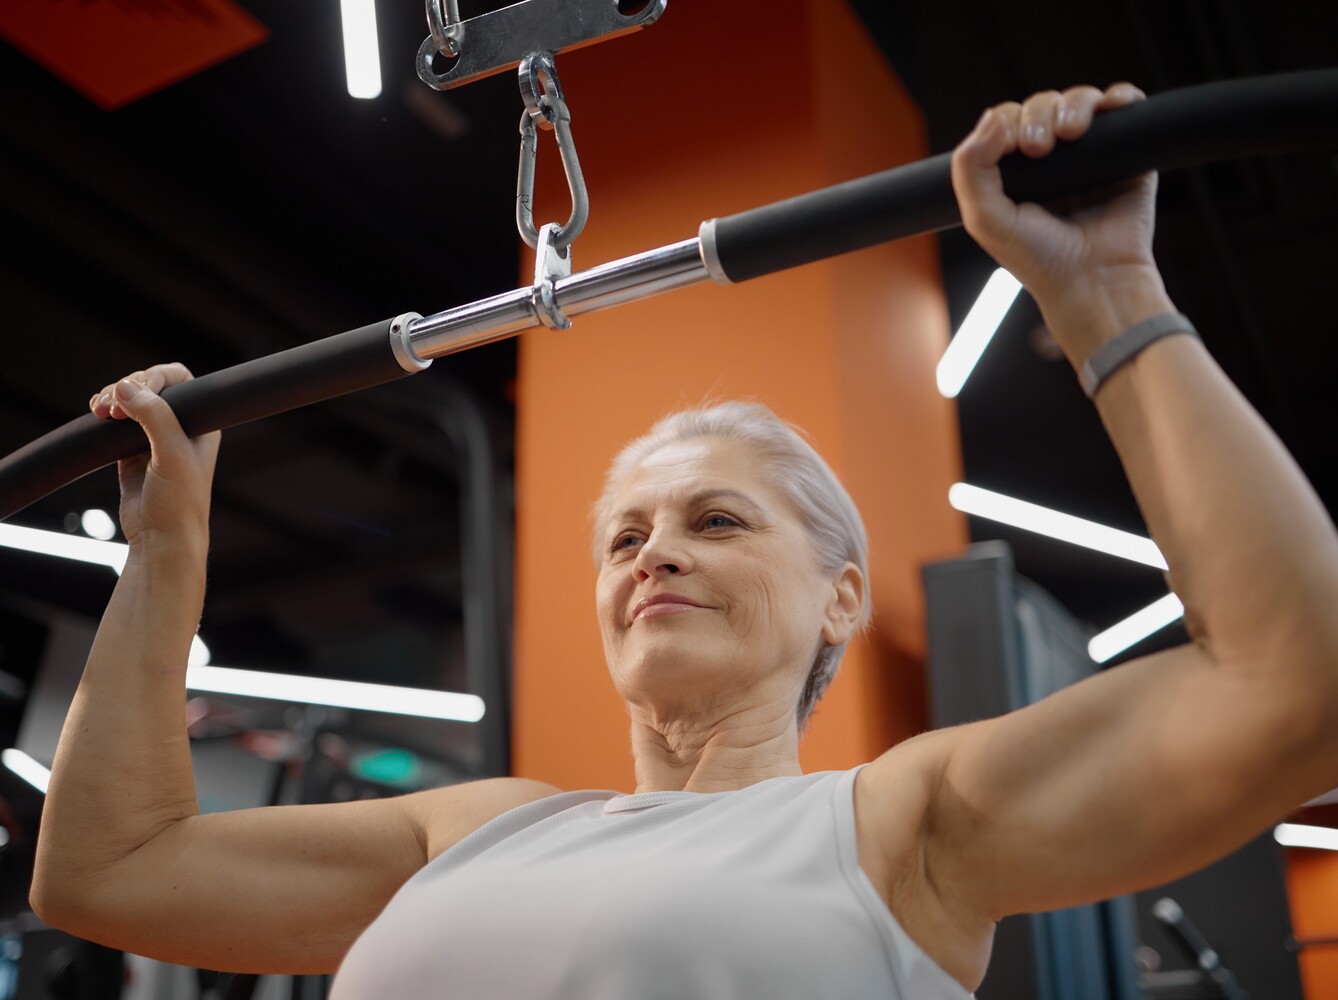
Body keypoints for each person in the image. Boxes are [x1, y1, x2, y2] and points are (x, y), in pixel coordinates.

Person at [30, 82, 1338, 997]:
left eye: (715, 520)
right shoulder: (478, 830)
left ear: (839, 600)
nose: (652, 553)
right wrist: (165, 555)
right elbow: (105, 873)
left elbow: (1295, 687)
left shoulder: (898, 826)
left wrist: (1106, 295)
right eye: (623, 538)